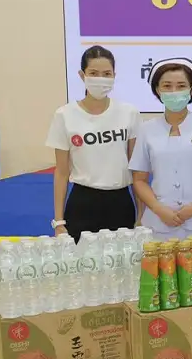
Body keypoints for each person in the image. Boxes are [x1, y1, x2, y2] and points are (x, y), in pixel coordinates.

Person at [46, 45, 141, 242]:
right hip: (83, 202)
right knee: (82, 260)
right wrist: (59, 221)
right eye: (94, 73)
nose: (100, 79)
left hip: (121, 202)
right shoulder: (64, 115)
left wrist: (141, 215)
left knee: (123, 260)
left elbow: (137, 170)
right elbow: (61, 172)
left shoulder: (129, 113)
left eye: (106, 74)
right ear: (82, 75)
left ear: (114, 76)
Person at [130, 58, 192, 240]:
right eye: (167, 86)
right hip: (158, 221)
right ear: (157, 90)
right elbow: (139, 180)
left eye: (181, 86)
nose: (174, 91)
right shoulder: (146, 129)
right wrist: (159, 209)